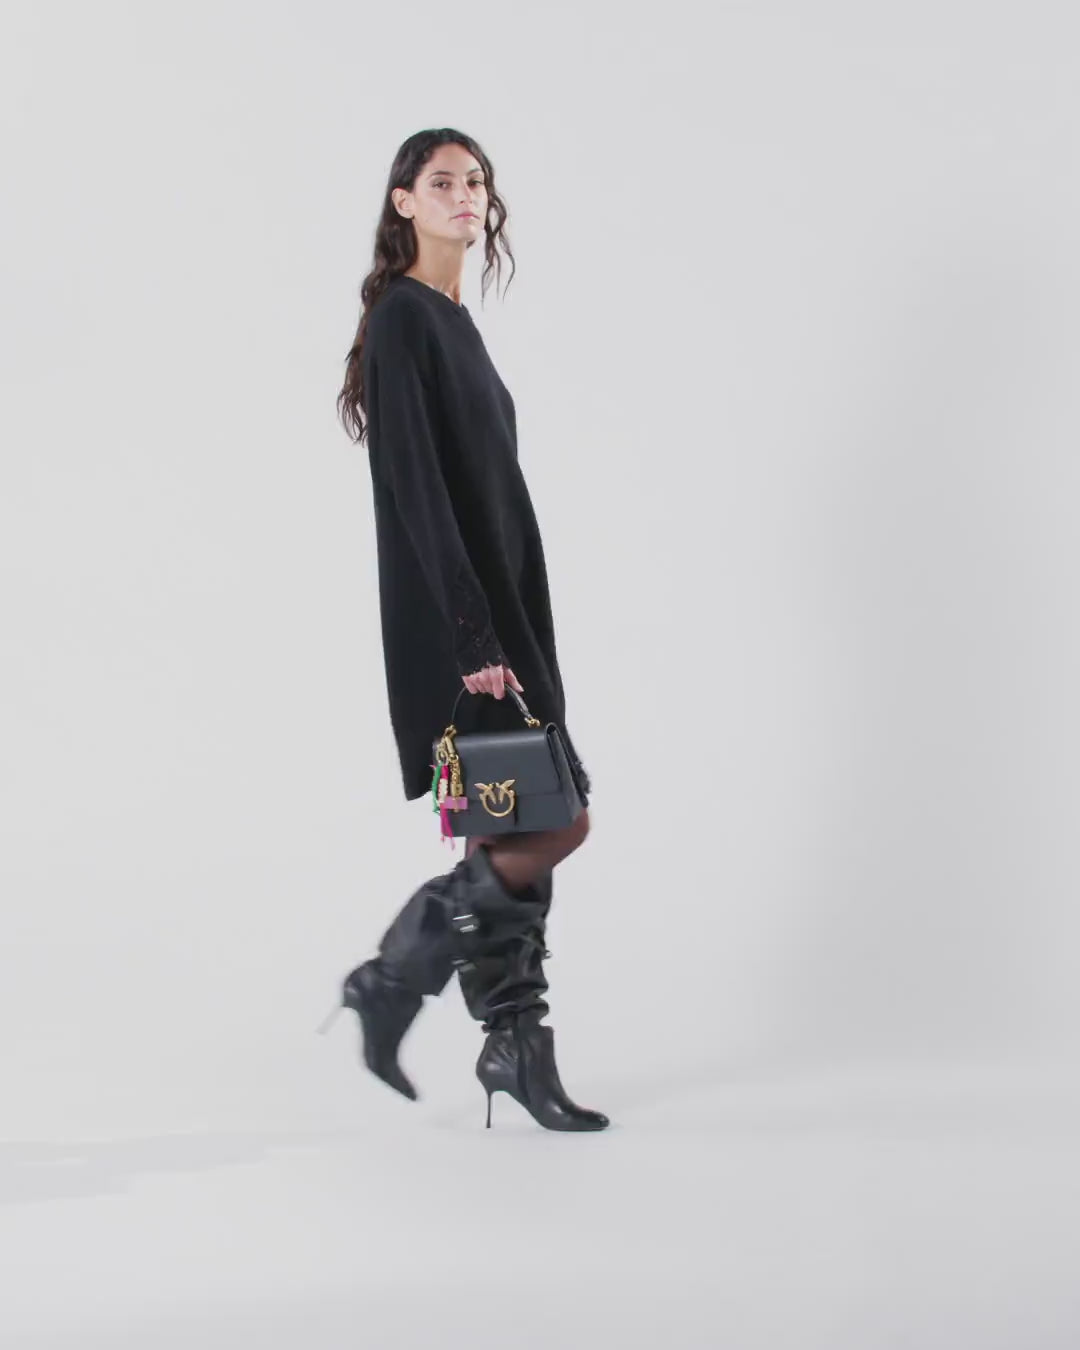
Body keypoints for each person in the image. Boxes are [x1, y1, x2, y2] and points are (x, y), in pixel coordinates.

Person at [328, 129, 609, 1132]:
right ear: (402, 201)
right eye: (441, 180)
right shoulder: (404, 318)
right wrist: (472, 636)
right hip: (465, 632)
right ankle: (391, 977)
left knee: (516, 825)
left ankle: (515, 1048)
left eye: (476, 181)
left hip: (503, 620)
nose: (464, 194)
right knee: (555, 822)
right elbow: (416, 487)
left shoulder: (453, 321)